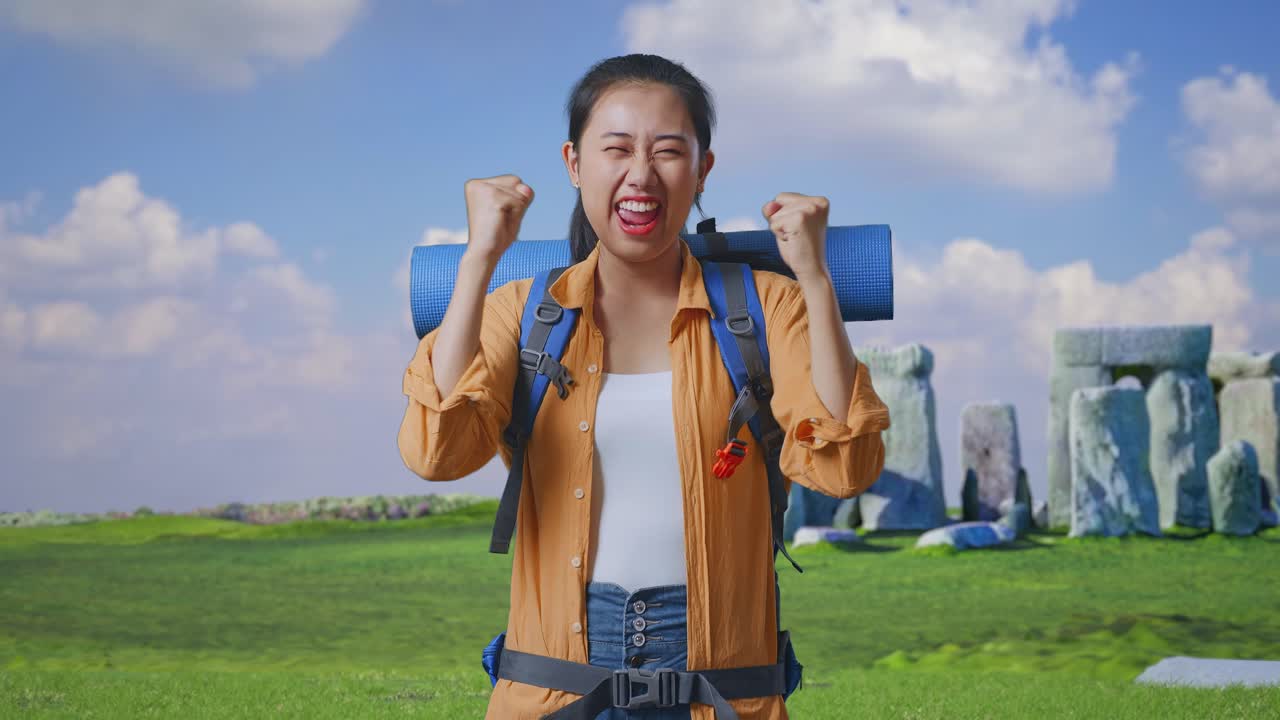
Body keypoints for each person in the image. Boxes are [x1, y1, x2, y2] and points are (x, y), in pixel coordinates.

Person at [398, 53, 891, 720]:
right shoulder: (520, 312)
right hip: (552, 693)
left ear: (703, 170)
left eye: (667, 151)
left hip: (723, 694)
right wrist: (478, 257)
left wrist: (816, 277)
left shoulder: (767, 307)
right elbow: (439, 452)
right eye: (617, 149)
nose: (641, 174)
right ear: (574, 164)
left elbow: (844, 467)